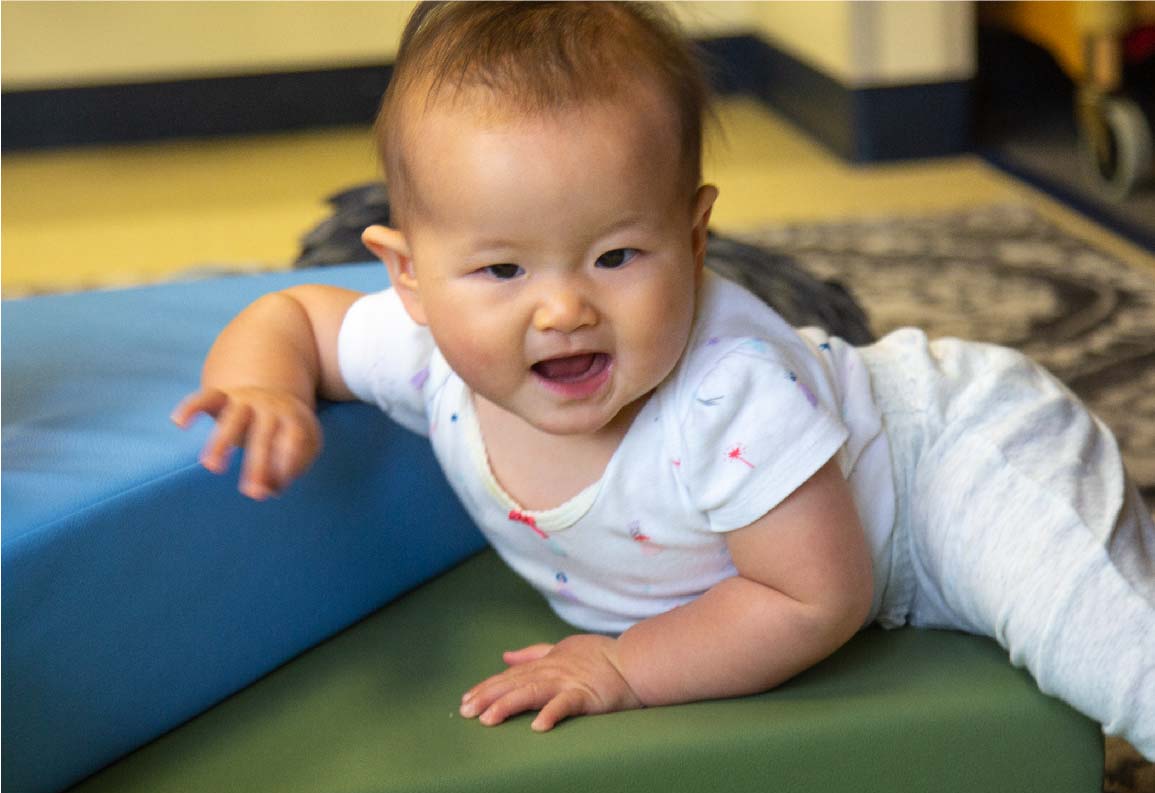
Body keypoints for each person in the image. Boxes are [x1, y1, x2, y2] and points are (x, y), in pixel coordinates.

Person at [172, 1, 1155, 754]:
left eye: (616, 256)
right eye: (503, 269)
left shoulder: (727, 391)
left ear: (692, 237)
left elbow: (814, 597)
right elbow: (291, 316)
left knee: (1106, 646)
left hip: (957, 465)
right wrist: (265, 389)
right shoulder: (429, 351)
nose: (562, 309)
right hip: (858, 535)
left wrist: (625, 666)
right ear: (409, 277)